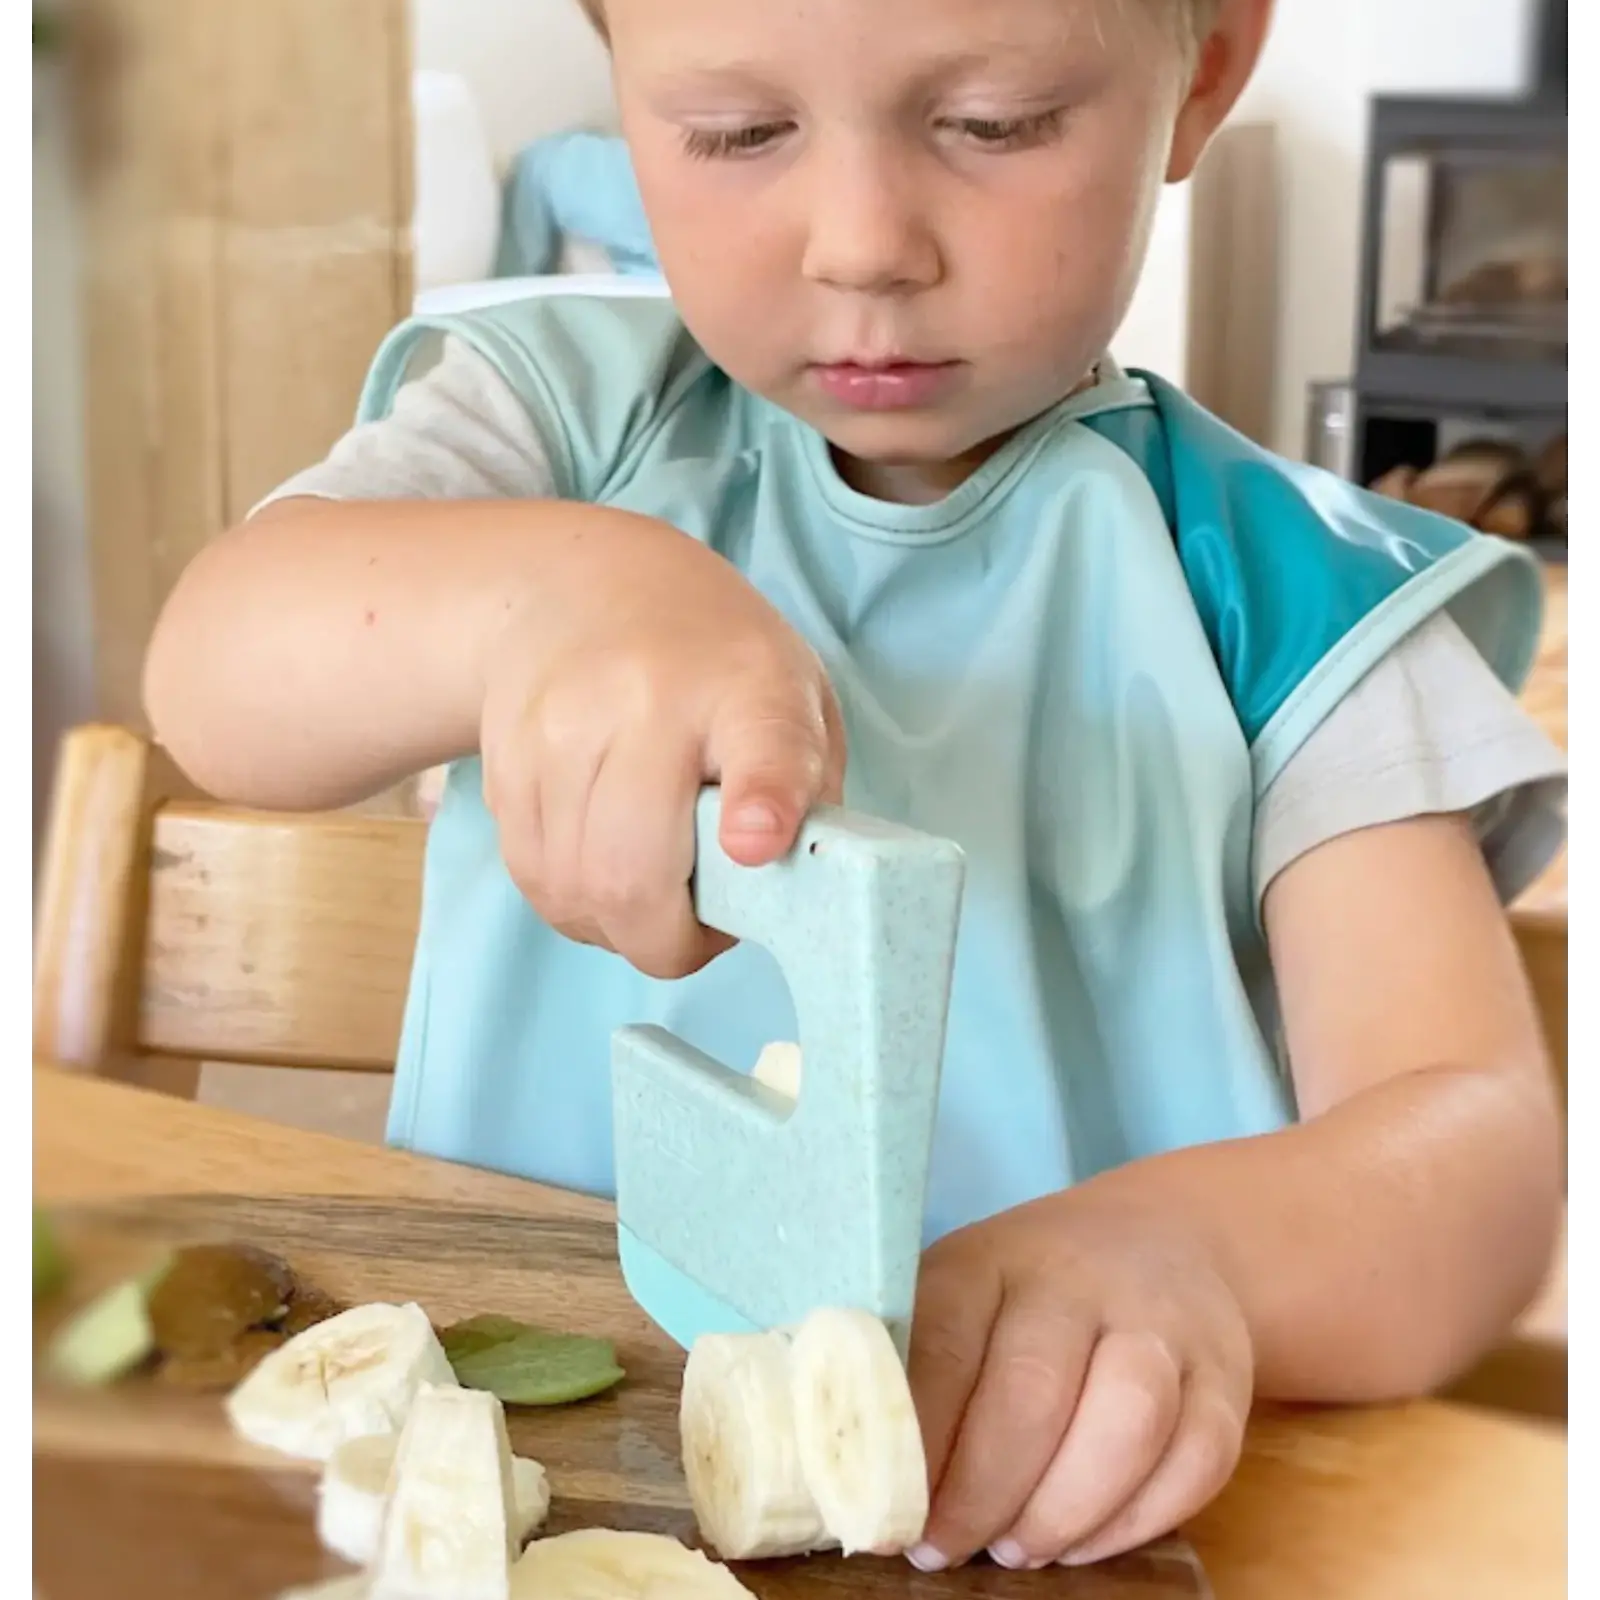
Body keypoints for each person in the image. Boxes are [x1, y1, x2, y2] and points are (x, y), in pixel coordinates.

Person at [143, 0, 1567, 1574]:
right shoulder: (554, 426)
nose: (864, 244)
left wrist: (1200, 1261)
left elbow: (1477, 1147)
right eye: (741, 133)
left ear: (1205, 69)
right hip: (510, 1487)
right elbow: (216, 677)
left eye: (997, 121)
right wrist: (541, 596)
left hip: (1036, 1524)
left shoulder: (1297, 603)